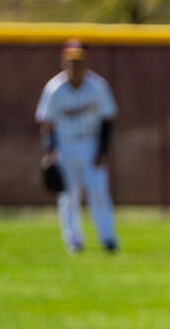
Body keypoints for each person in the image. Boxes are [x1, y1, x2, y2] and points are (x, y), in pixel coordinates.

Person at [36, 39, 120, 254]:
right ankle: (73, 240)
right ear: (64, 62)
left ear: (85, 62)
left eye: (79, 61)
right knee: (68, 196)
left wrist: (102, 150)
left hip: (91, 145)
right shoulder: (54, 88)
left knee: (99, 193)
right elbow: (47, 123)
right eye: (71, 61)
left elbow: (107, 120)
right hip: (65, 147)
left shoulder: (97, 86)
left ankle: (108, 239)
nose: (75, 66)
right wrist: (50, 153)